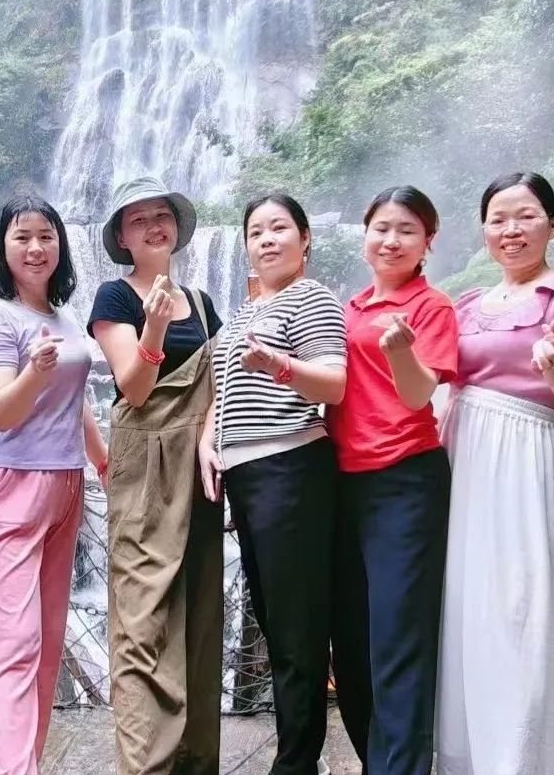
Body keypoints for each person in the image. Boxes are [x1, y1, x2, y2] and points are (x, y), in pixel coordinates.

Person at [436, 172, 554, 775]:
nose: (511, 229)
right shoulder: (466, 305)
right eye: (498, 219)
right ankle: (467, 757)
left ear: (552, 226)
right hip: (461, 452)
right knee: (465, 603)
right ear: (484, 231)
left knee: (518, 605)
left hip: (520, 454)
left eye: (526, 216)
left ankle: (520, 759)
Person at [202, 193, 347, 775]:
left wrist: (279, 366)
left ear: (304, 238)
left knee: (295, 630)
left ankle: (296, 764)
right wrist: (208, 440)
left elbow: (333, 384)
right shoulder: (246, 310)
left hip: (290, 470)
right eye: (256, 231)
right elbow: (224, 391)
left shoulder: (311, 297)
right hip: (248, 476)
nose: (266, 239)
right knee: (275, 619)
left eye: (279, 227)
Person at [0, 195, 108, 775]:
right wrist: (33, 372)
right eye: (21, 236)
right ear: (1, 246)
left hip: (66, 484)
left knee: (46, 644)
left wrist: (104, 463)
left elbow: (77, 403)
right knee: (13, 643)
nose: (35, 247)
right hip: (11, 484)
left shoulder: (63, 316)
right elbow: (0, 410)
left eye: (46, 235)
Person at [88, 176, 224, 775]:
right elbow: (135, 389)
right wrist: (156, 327)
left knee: (199, 613)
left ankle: (196, 761)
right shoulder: (114, 299)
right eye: (138, 219)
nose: (152, 226)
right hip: (145, 466)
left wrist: (209, 437)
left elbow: (220, 383)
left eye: (161, 215)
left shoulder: (203, 300)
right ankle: (148, 765)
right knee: (143, 618)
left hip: (199, 467)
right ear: (123, 236)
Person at [327, 186, 458, 775]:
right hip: (342, 484)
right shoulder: (349, 306)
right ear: (365, 235)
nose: (391, 240)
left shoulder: (431, 307)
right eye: (381, 228)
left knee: (398, 641)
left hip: (405, 483)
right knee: (351, 643)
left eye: (407, 230)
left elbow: (417, 394)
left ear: (428, 241)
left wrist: (401, 349)